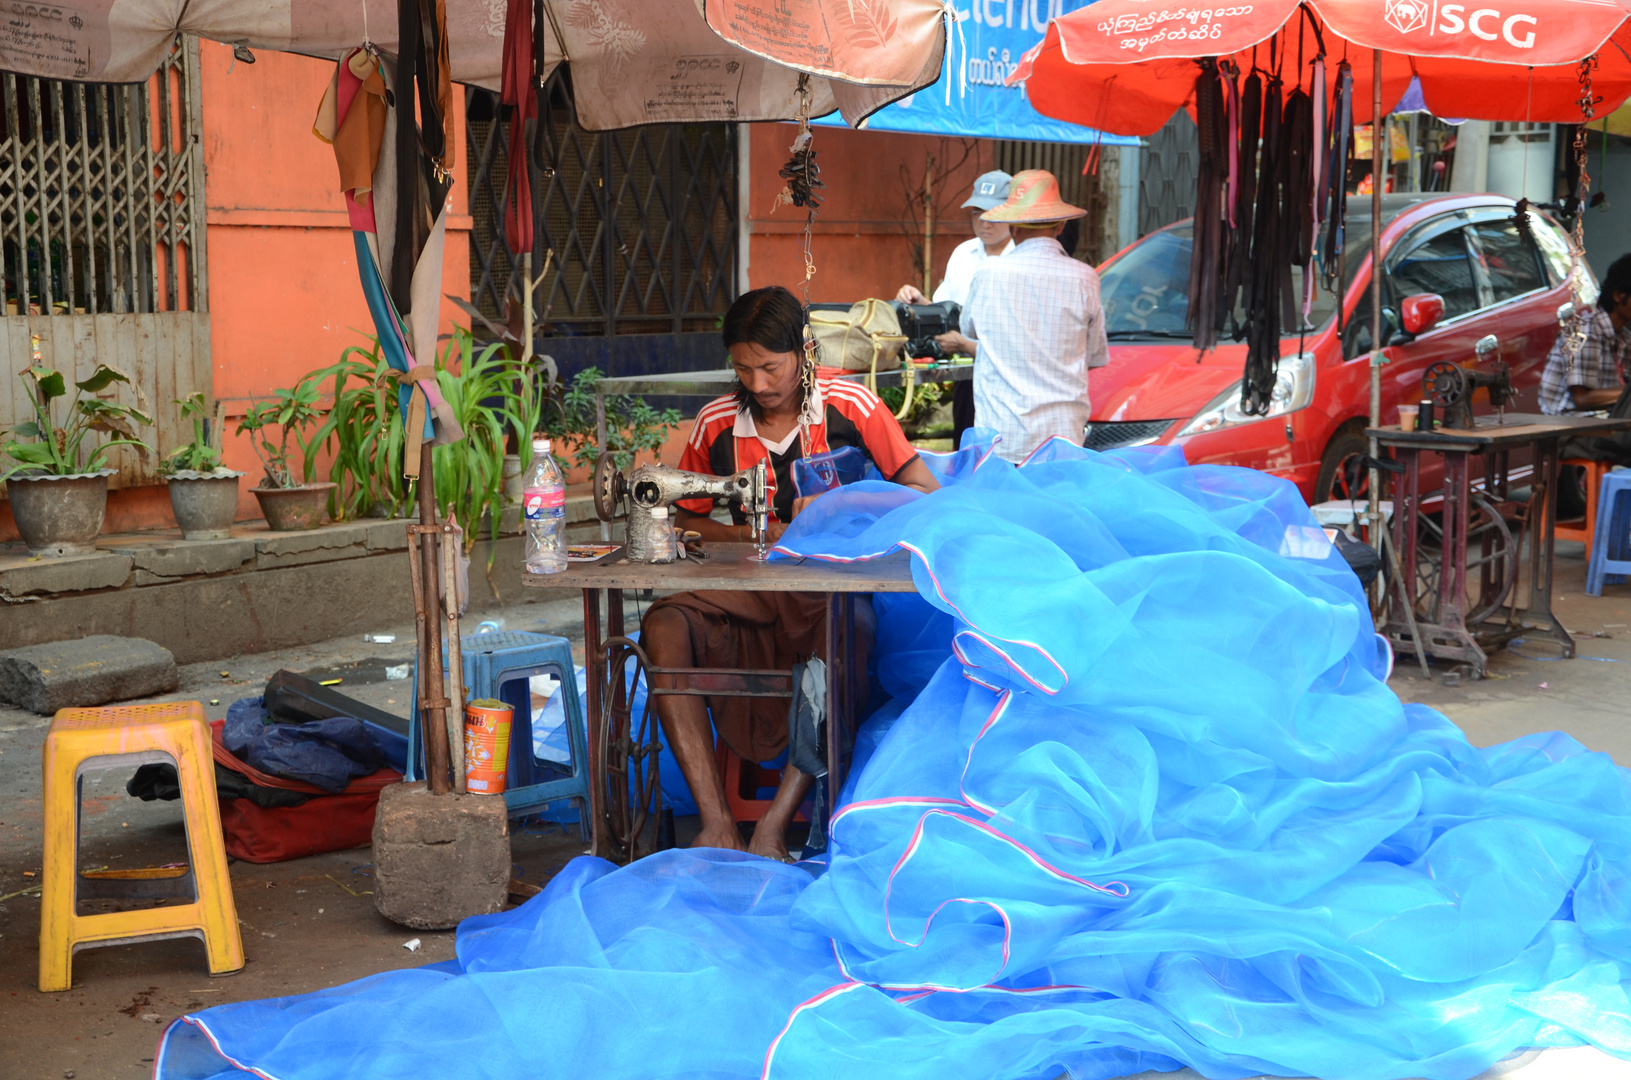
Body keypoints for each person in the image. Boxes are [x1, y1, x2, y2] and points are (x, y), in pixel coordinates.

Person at [640, 286, 940, 861]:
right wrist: (755, 535)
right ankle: (717, 822)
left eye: (770, 367)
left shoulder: (853, 405)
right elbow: (684, 517)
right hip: (751, 589)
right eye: (743, 368)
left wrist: (844, 504)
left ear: (803, 351)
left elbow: (924, 492)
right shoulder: (716, 424)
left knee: (837, 638)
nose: (756, 384)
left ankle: (775, 825)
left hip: (829, 588)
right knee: (665, 625)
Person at [960, 169, 1109, 463]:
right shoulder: (1086, 278)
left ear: (1012, 225)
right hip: (1064, 440)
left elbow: (968, 328)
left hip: (1002, 440)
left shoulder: (989, 273)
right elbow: (1094, 357)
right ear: (1061, 225)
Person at [896, 170, 1013, 449]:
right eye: (977, 213)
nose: (984, 221)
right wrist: (917, 303)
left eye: (993, 212)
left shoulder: (1022, 260)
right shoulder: (963, 253)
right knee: (967, 456)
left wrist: (965, 343)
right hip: (967, 380)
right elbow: (945, 311)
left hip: (1010, 385)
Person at [1539, 253, 1631, 466]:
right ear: (1619, 296)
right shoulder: (1584, 332)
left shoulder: (1624, 339)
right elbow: (1582, 399)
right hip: (1569, 429)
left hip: (1602, 424)